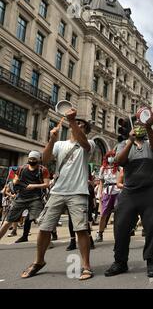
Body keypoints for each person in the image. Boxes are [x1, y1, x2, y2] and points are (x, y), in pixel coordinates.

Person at [21, 109, 95, 281]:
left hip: (78, 192)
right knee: (44, 227)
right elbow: (44, 160)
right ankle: (39, 261)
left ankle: (86, 265)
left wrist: (73, 121)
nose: (78, 127)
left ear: (84, 129)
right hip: (57, 192)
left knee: (81, 229)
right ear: (69, 128)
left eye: (82, 125)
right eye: (76, 124)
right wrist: (52, 140)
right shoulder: (60, 144)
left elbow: (83, 143)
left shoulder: (88, 143)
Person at [104, 110, 153, 278]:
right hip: (129, 193)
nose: (139, 129)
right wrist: (129, 139)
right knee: (121, 227)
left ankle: (151, 261)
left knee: (152, 227)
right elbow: (120, 161)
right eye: (136, 127)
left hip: (150, 193)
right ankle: (120, 262)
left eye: (141, 127)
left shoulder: (149, 143)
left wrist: (149, 128)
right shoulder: (122, 145)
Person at [0, 151, 50, 243]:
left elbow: (47, 184)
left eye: (34, 159)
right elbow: (15, 179)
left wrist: (34, 186)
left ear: (38, 159)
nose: (32, 161)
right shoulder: (21, 168)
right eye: (30, 159)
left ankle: (47, 242)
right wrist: (15, 181)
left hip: (35, 199)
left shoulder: (43, 170)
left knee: (40, 221)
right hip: (20, 198)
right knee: (8, 221)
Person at [95, 151, 122, 242]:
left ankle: (119, 234)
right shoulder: (103, 168)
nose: (111, 158)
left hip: (118, 192)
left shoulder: (119, 168)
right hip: (106, 192)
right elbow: (101, 182)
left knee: (119, 215)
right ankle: (100, 233)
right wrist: (100, 194)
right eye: (109, 156)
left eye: (112, 156)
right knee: (103, 214)